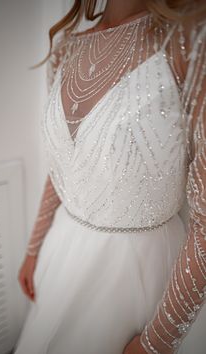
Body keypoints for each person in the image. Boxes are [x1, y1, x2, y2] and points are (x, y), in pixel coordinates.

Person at [14, 0, 206, 353]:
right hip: (63, 254)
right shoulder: (66, 47)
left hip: (143, 276)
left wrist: (155, 343)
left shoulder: (190, 37)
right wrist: (33, 249)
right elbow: (63, 166)